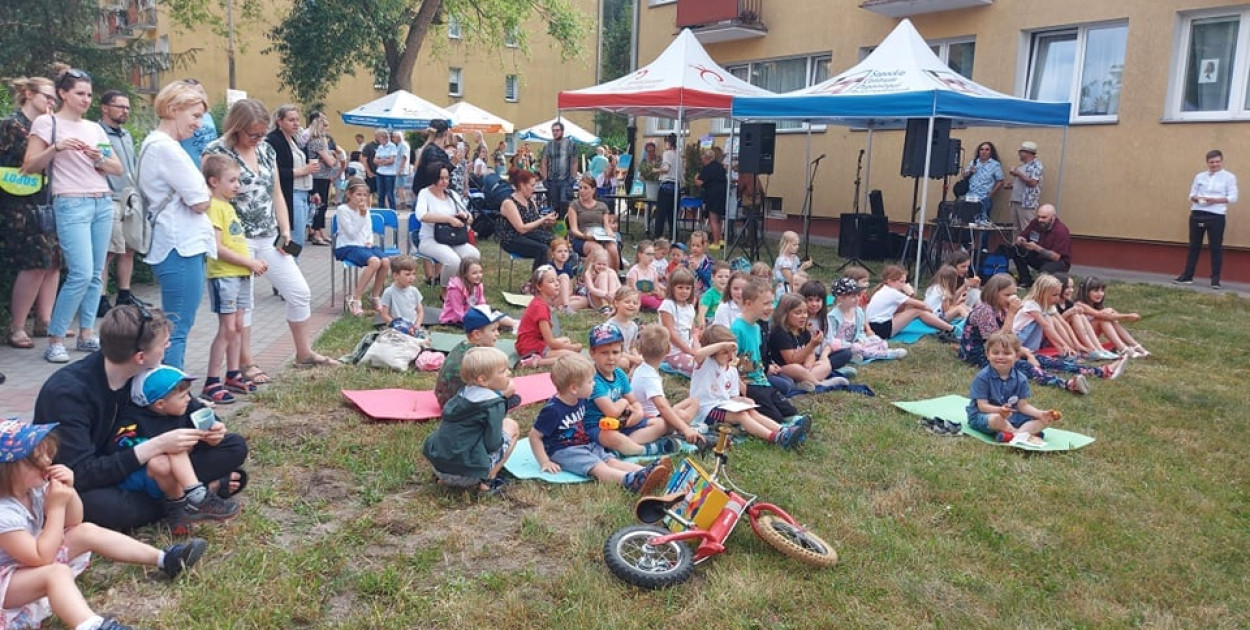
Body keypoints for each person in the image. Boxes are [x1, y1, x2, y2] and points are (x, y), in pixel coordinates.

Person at [33, 305, 249, 532]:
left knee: (234, 446)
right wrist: (156, 446)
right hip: (99, 478)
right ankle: (191, 495)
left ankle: (185, 494)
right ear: (140, 356)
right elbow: (80, 474)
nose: (167, 349)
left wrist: (212, 430)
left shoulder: (148, 374)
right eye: (164, 346)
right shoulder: (68, 393)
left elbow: (194, 411)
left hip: (152, 469)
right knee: (106, 508)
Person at [0, 420, 209, 630]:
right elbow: (40, 557)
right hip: (8, 581)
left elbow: (74, 521)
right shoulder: (4, 513)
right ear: (7, 472)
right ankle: (90, 625)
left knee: (86, 531)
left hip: (28, 561)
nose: (48, 461)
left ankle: (167, 559)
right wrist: (55, 509)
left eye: (46, 453)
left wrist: (68, 491)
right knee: (56, 574)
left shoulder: (33, 488)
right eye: (37, 459)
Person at [205, 98, 338, 368]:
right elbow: (209, 196)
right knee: (246, 305)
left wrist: (285, 229)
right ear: (236, 128)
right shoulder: (216, 151)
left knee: (299, 291)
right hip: (237, 241)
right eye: (252, 134)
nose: (257, 138)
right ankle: (247, 363)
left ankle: (304, 353)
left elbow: (276, 191)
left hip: (269, 235)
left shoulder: (266, 150)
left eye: (261, 133)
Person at [24, 67, 124, 364]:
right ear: (63, 93)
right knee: (80, 272)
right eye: (80, 93)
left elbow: (117, 169)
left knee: (95, 274)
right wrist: (56, 147)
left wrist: (100, 158)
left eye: (90, 94)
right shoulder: (47, 122)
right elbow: (29, 165)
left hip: (101, 201)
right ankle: (55, 339)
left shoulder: (94, 128)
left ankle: (86, 333)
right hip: (70, 202)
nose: (86, 99)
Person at [136, 81, 216, 371]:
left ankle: (169, 391)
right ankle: (171, 392)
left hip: (180, 243)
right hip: (179, 245)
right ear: (172, 109)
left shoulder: (160, 145)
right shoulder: (165, 148)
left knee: (177, 324)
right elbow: (200, 200)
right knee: (176, 327)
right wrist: (204, 194)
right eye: (194, 116)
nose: (198, 124)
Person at [117, 366, 242, 533]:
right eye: (183, 396)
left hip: (178, 473)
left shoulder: (184, 409)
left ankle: (185, 506)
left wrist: (213, 434)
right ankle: (198, 496)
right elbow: (123, 447)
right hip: (146, 479)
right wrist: (161, 444)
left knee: (236, 444)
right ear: (161, 404)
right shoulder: (131, 419)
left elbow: (210, 425)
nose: (189, 400)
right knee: (169, 453)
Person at [527, 355, 673, 493]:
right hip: (564, 451)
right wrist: (545, 461)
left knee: (611, 460)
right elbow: (534, 436)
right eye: (590, 382)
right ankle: (629, 481)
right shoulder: (553, 410)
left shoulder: (580, 399)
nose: (594, 383)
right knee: (598, 466)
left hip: (586, 444)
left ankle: (646, 472)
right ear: (573, 388)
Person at [202, 154, 267, 404]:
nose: (237, 185)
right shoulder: (214, 207)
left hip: (240, 275)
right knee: (227, 328)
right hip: (225, 275)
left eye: (238, 180)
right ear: (214, 181)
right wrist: (249, 262)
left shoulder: (228, 206)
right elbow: (217, 247)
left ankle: (233, 374)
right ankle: (211, 381)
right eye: (232, 180)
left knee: (238, 326)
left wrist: (251, 264)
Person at [2, 75, 60, 354]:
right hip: (18, 203)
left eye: (53, 99)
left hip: (45, 199)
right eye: (47, 97)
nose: (51, 103)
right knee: (34, 262)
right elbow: (26, 164)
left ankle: (45, 320)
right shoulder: (12, 125)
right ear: (27, 93)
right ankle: (17, 326)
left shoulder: (49, 126)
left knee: (53, 261)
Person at [690, 325, 808, 448]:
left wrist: (743, 401)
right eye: (725, 352)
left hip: (723, 405)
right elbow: (698, 354)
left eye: (733, 351)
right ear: (713, 352)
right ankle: (776, 438)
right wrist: (722, 345)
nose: (731, 355)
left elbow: (732, 396)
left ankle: (784, 430)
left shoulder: (731, 370)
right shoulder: (706, 363)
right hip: (705, 410)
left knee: (750, 411)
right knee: (742, 416)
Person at [422, 347, 520, 494]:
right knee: (512, 426)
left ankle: (445, 481)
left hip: (440, 468)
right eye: (502, 371)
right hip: (469, 475)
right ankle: (488, 479)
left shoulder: (460, 396)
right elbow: (493, 444)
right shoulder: (493, 404)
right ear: (482, 380)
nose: (509, 373)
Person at [582, 324, 677, 457]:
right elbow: (612, 412)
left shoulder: (619, 374)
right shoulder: (593, 379)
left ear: (622, 352)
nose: (611, 358)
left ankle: (626, 447)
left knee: (660, 424)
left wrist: (638, 412)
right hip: (599, 426)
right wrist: (623, 402)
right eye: (604, 353)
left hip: (621, 422)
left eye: (615, 352)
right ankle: (644, 450)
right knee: (612, 437)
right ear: (592, 353)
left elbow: (634, 401)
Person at [966, 331, 1061, 448]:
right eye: (995, 353)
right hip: (984, 416)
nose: (1000, 357)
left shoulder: (1021, 379)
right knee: (996, 419)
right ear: (988, 354)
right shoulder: (983, 377)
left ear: (1017, 356)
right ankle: (1022, 434)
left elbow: (1023, 406)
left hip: (1012, 417)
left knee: (1044, 421)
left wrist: (1040, 413)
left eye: (1006, 353)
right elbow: (982, 406)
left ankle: (1010, 435)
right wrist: (999, 410)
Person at [733, 279, 806, 425]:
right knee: (776, 418)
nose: (770, 307)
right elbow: (728, 364)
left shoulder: (757, 327)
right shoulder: (737, 329)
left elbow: (758, 358)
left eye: (772, 303)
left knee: (790, 412)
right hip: (748, 384)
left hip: (762, 382)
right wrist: (743, 388)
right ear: (748, 304)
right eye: (765, 303)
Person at [96, 90, 138, 317]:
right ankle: (100, 298)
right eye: (120, 106)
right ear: (104, 107)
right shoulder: (97, 133)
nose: (125, 111)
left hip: (129, 197)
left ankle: (124, 293)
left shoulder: (126, 135)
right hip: (110, 197)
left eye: (128, 107)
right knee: (108, 251)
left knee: (128, 248)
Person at [1175, 149, 1237, 290]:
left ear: (1221, 161)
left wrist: (1215, 200)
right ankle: (1187, 276)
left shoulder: (1229, 177)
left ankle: (1215, 280)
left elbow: (1233, 197)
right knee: (1194, 246)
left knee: (1215, 247)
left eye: (1217, 162)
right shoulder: (1200, 176)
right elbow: (1191, 194)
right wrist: (1197, 198)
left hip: (1216, 215)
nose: (1214, 164)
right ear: (1207, 163)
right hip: (1197, 212)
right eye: (1211, 162)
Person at [632, 324, 702, 444]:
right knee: (683, 416)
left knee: (694, 401)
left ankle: (678, 426)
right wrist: (685, 429)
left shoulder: (643, 368)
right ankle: (680, 429)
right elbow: (662, 407)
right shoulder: (650, 377)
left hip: (653, 413)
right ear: (668, 349)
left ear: (640, 350)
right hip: (650, 419)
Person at [414, 163, 481, 286]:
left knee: (473, 254)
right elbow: (421, 216)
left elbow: (468, 216)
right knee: (453, 260)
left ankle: (462, 286)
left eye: (447, 178)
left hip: (453, 238)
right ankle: (446, 290)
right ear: (433, 178)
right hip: (430, 239)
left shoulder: (452, 194)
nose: (445, 182)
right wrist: (448, 219)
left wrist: (466, 217)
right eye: (441, 178)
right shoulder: (425, 193)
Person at [767, 293, 851, 392]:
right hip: (784, 369)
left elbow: (811, 354)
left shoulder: (803, 330)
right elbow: (791, 360)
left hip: (804, 369)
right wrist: (812, 345)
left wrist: (809, 364)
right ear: (785, 314)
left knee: (825, 365)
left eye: (805, 312)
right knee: (796, 368)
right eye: (798, 313)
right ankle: (820, 384)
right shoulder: (780, 333)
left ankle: (804, 382)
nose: (803, 316)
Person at [334, 177, 392, 316]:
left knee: (385, 262)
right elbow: (352, 233)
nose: (362, 198)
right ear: (349, 194)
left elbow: (368, 229)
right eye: (358, 194)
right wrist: (362, 214)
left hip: (363, 245)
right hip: (347, 246)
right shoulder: (343, 210)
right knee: (374, 261)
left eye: (365, 195)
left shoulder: (365, 209)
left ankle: (375, 295)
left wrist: (370, 241)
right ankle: (356, 298)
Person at [265, 105, 318, 250]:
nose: (296, 123)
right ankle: (288, 267)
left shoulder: (295, 140)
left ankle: (286, 265)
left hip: (303, 192)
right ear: (279, 121)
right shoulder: (273, 141)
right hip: (290, 193)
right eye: (291, 120)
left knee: (295, 238)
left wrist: (314, 190)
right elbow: (275, 172)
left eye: (297, 120)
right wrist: (301, 171)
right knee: (294, 239)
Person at [435, 305, 509, 408]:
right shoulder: (479, 357)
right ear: (477, 334)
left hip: (444, 399)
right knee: (510, 388)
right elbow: (488, 381)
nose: (497, 334)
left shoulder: (462, 345)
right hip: (461, 406)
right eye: (493, 330)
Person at [515, 265, 583, 368]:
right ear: (539, 286)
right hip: (530, 347)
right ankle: (532, 362)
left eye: (557, 280)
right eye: (551, 281)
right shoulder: (540, 307)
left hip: (535, 342)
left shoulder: (541, 303)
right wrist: (571, 348)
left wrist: (567, 346)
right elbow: (550, 342)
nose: (556, 284)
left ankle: (541, 357)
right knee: (572, 357)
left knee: (566, 340)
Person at [864, 264, 956, 341]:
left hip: (874, 327)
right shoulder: (893, 293)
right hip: (881, 329)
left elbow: (899, 311)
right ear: (890, 281)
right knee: (917, 311)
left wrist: (908, 298)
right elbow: (922, 305)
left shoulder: (884, 290)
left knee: (913, 310)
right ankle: (950, 329)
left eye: (904, 282)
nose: (904, 285)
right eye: (901, 282)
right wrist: (927, 308)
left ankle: (945, 326)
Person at [828, 278, 906, 361]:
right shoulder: (833, 317)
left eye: (858, 295)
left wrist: (861, 340)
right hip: (842, 347)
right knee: (857, 348)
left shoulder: (858, 311)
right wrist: (850, 345)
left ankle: (858, 356)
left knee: (880, 342)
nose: (857, 299)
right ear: (841, 298)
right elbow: (831, 339)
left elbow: (860, 331)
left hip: (857, 343)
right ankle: (888, 354)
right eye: (853, 297)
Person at [1075, 276, 1150, 358]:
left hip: (1092, 338)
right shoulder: (1079, 305)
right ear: (1086, 292)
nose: (1100, 294)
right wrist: (1127, 316)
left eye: (1102, 290)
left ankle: (1136, 346)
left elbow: (1110, 316)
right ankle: (1122, 348)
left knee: (1110, 320)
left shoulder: (1096, 306)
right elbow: (1100, 315)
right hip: (1081, 340)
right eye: (1096, 291)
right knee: (1103, 319)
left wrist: (1126, 317)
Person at [497, 168, 556, 270]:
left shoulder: (531, 200)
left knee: (556, 244)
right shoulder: (509, 203)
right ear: (521, 185)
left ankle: (552, 275)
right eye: (532, 185)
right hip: (512, 239)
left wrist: (546, 221)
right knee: (543, 249)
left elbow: (535, 222)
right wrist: (542, 220)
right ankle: (537, 280)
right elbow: (521, 228)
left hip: (530, 235)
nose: (534, 189)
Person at [1012, 204, 1071, 289]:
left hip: (1057, 262)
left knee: (1043, 275)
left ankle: (1039, 283)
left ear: (1053, 218)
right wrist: (1021, 240)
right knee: (1017, 250)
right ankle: (1025, 280)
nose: (1040, 220)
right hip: (1038, 256)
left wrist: (1036, 248)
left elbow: (1056, 257)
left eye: (1044, 217)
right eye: (1038, 217)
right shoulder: (1035, 223)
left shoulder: (1061, 230)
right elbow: (1024, 235)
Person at [566, 174, 616, 268]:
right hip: (581, 238)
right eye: (580, 188)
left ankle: (613, 276)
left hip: (600, 236)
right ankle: (586, 276)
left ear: (593, 190)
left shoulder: (602, 206)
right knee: (598, 250)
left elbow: (606, 225)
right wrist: (585, 236)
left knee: (613, 249)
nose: (582, 191)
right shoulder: (574, 205)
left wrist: (610, 233)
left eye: (585, 188)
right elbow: (574, 229)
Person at [658, 268, 700, 376]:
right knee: (699, 367)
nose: (684, 291)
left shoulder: (689, 306)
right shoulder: (668, 305)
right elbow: (670, 334)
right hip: (673, 352)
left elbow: (692, 331)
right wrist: (689, 351)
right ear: (672, 288)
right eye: (680, 287)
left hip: (688, 347)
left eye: (687, 288)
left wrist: (695, 347)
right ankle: (670, 365)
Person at [306, 112, 338, 245]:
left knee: (323, 206)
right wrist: (331, 158)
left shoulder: (322, 141)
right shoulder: (317, 142)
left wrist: (331, 158)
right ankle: (316, 233)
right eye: (325, 125)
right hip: (318, 177)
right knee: (319, 206)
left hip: (324, 177)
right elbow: (331, 162)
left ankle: (321, 231)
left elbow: (332, 159)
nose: (327, 128)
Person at [376, 255, 424, 336]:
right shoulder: (389, 292)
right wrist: (397, 325)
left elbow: (420, 311)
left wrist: (417, 325)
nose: (412, 277)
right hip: (396, 329)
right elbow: (384, 314)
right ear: (396, 275)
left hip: (413, 328)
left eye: (414, 274)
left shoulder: (414, 291)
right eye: (407, 274)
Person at [1005, 140, 1044, 234]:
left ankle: (1028, 248)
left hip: (1027, 203)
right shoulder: (1022, 165)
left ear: (1027, 152)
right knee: (1015, 230)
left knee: (1027, 229)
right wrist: (1012, 185)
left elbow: (1033, 182)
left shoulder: (1037, 166)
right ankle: (1016, 248)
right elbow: (1023, 181)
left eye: (1021, 151)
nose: (1019, 154)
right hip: (1016, 201)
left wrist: (1018, 173)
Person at [540, 121, 578, 216]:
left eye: (557, 130)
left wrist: (573, 177)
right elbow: (544, 162)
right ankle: (555, 227)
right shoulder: (548, 145)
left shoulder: (570, 144)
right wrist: (545, 178)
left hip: (566, 179)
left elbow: (575, 161)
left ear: (562, 131)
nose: (555, 132)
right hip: (552, 180)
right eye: (553, 131)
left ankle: (564, 226)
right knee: (554, 205)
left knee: (565, 203)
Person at [178, 79, 217, 167]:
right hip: (191, 166)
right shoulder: (183, 117)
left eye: (201, 92)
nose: (200, 96)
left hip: (211, 165)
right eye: (194, 93)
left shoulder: (208, 116)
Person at [963, 141, 1005, 222]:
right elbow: (964, 176)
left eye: (987, 150)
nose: (984, 152)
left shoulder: (995, 165)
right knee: (968, 222)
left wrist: (991, 194)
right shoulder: (974, 162)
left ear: (991, 152)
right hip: (971, 196)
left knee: (983, 222)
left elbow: (1000, 181)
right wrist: (970, 172)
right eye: (981, 149)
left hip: (984, 198)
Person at [695, 148, 727, 248]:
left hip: (712, 195)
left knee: (712, 217)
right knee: (719, 218)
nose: (702, 160)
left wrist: (695, 178)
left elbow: (700, 183)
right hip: (722, 194)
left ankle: (716, 242)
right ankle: (721, 239)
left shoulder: (708, 168)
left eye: (702, 158)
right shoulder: (720, 167)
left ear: (706, 158)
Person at [606, 287, 643, 373]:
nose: (631, 305)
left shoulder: (634, 326)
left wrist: (637, 358)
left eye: (635, 303)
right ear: (616, 303)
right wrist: (634, 359)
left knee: (644, 359)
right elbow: (613, 350)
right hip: (613, 355)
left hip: (627, 355)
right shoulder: (611, 326)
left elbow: (632, 347)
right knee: (624, 363)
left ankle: (632, 374)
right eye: (627, 302)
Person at [651, 133, 678, 239]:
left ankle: (658, 237)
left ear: (668, 143)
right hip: (676, 187)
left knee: (661, 214)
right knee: (672, 215)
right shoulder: (678, 154)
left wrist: (655, 170)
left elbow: (666, 168)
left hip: (666, 186)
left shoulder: (667, 153)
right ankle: (673, 236)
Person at [626, 241, 664, 311]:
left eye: (653, 254)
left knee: (665, 299)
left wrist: (659, 294)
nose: (651, 257)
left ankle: (658, 306)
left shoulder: (653, 270)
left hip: (650, 296)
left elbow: (656, 288)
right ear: (639, 254)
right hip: (637, 297)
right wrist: (650, 294)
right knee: (646, 300)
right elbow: (634, 292)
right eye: (648, 254)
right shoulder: (634, 271)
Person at [698, 261, 732, 327]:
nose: (723, 279)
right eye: (720, 276)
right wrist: (702, 328)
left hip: (725, 320)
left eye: (726, 276)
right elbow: (701, 314)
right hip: (712, 321)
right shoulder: (709, 294)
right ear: (713, 277)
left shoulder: (730, 293)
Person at [371, 128, 398, 210]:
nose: (377, 139)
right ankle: (381, 209)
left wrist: (381, 161)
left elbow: (392, 160)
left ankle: (393, 210)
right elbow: (374, 160)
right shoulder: (380, 147)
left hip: (389, 173)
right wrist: (384, 160)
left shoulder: (392, 146)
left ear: (383, 137)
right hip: (380, 172)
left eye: (378, 137)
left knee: (390, 193)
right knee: (380, 193)